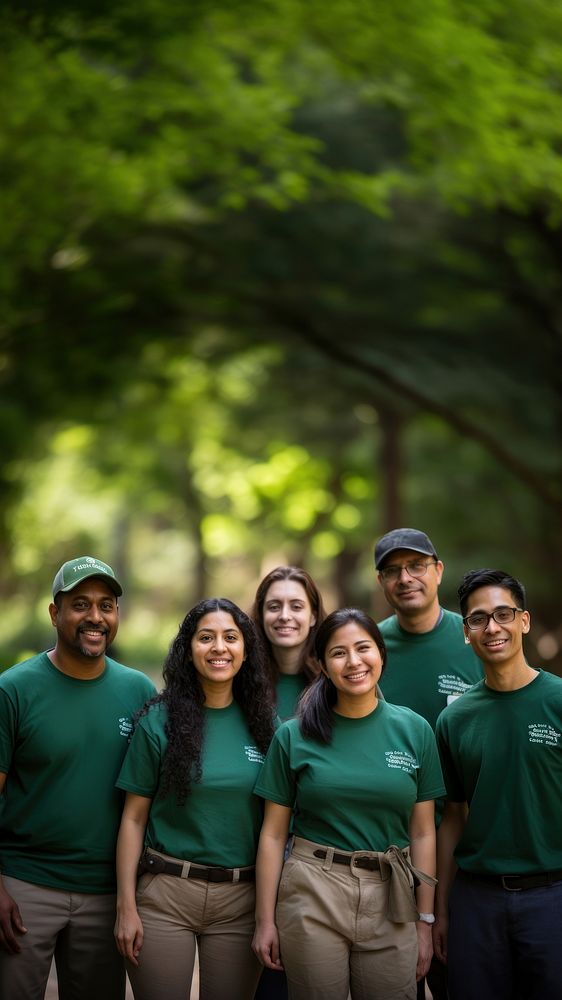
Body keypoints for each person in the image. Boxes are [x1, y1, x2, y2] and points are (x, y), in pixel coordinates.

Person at [252, 607, 445, 1000]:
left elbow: (423, 831)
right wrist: (264, 920)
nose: (353, 661)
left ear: (381, 654)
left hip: (393, 896)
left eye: (363, 648)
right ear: (321, 664)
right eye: (339, 653)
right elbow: (272, 835)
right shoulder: (294, 735)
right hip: (313, 889)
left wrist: (424, 921)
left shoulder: (415, 730)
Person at [0, 555, 157, 1000]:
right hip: (25, 886)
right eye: (80, 604)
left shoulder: (139, 692)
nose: (95, 617)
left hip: (107, 893)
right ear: (55, 612)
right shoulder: (13, 690)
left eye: (106, 605)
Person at [114, 597, 276, 1000]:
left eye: (230, 638)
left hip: (241, 900)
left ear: (246, 650)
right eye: (206, 638)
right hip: (166, 895)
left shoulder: (266, 726)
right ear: (188, 651)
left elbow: (276, 826)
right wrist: (126, 907)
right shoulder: (158, 722)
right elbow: (133, 820)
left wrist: (266, 914)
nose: (219, 647)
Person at [434, 569, 562, 1000]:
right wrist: (441, 912)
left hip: (553, 896)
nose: (492, 627)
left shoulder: (558, 701)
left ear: (523, 621)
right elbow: (453, 816)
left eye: (503, 614)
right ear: (466, 633)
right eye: (478, 618)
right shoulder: (454, 719)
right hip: (477, 901)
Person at [375, 527, 483, 1000]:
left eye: (416, 565)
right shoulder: (368, 650)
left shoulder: (475, 638)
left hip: (466, 848)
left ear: (438, 571)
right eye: (393, 570)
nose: (406, 578)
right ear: (381, 582)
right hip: (388, 850)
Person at [252, 565, 326, 721]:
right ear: (261, 614)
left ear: (313, 616)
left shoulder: (333, 678)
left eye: (296, 607)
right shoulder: (244, 681)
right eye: (274, 607)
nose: (284, 616)